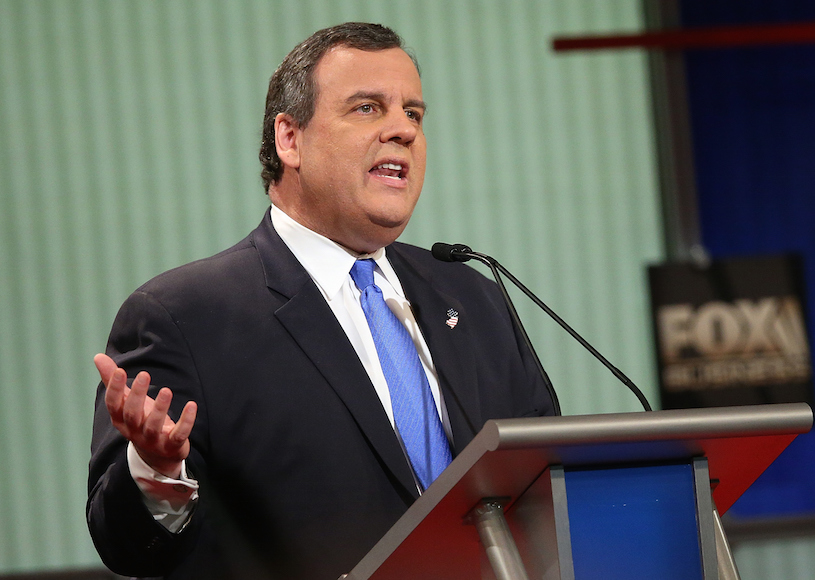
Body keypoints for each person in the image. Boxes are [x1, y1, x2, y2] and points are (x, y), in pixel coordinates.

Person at [87, 22, 554, 580]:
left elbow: (544, 481)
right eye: (366, 108)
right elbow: (126, 545)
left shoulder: (472, 295)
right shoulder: (184, 317)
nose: (402, 131)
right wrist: (158, 470)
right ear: (290, 140)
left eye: (413, 113)